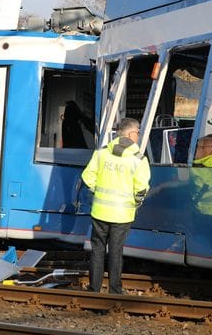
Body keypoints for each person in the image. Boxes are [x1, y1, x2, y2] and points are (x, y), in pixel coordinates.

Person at [81, 117, 150, 294]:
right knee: (116, 252)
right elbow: (141, 188)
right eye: (138, 132)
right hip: (122, 214)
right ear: (131, 133)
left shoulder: (102, 153)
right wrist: (134, 204)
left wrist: (99, 192)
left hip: (100, 212)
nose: (139, 136)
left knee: (97, 250)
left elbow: (87, 176)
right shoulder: (139, 159)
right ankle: (114, 290)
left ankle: (94, 289)